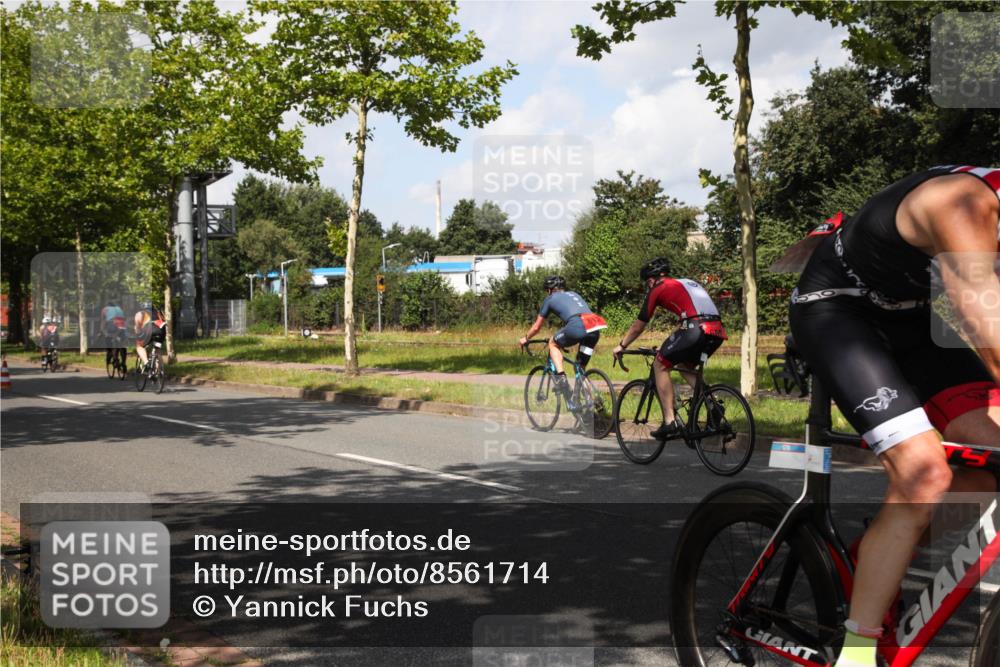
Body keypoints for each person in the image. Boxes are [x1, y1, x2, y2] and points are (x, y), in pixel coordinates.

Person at [788, 165, 1000, 667]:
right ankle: (857, 654)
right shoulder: (962, 202)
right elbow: (982, 312)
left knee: (987, 470)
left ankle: (874, 553)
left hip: (908, 318)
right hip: (837, 311)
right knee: (923, 471)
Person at [612, 258, 727, 440]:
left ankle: (669, 421)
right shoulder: (686, 283)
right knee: (685, 365)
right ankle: (713, 406)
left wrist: (622, 345)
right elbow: (692, 313)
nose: (648, 287)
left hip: (694, 329)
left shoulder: (658, 288)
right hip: (717, 331)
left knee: (660, 365)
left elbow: (638, 326)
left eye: (647, 283)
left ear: (651, 280)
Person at [518, 276, 607, 404]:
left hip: (577, 325)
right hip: (594, 327)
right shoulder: (574, 294)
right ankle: (588, 402)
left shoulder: (549, 299)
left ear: (550, 290)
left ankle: (561, 378)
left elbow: (537, 327)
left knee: (553, 343)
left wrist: (525, 338)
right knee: (580, 369)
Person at [134, 302, 167, 369]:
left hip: (149, 331)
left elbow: (137, 329)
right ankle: (158, 373)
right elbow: (164, 322)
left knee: (139, 346)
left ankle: (146, 363)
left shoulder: (140, 314)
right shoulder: (159, 313)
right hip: (161, 332)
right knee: (157, 350)